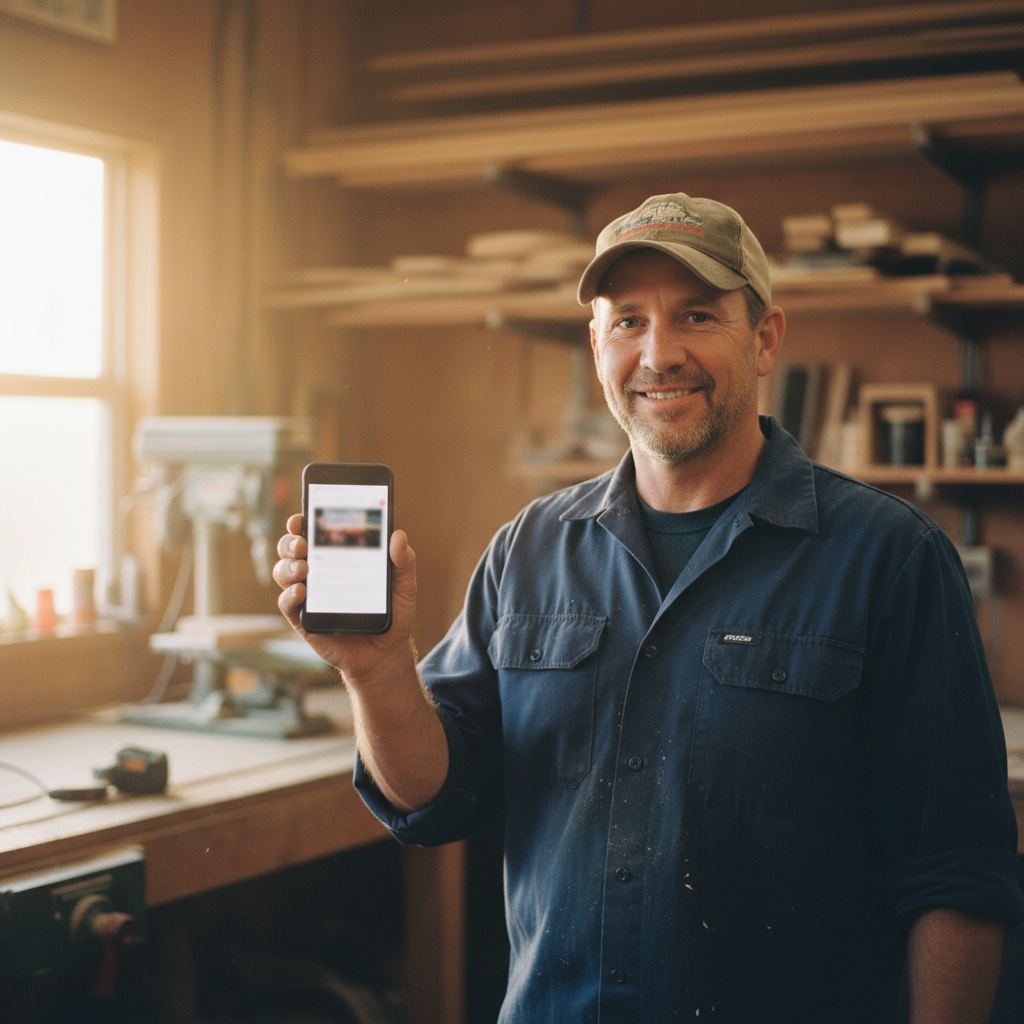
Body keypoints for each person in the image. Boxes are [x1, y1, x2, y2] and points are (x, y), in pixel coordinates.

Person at [275, 193, 1023, 1023]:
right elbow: (433, 798)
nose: (658, 353)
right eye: (627, 321)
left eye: (696, 314)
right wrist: (378, 672)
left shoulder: (891, 559)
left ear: (766, 337)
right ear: (597, 343)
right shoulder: (528, 551)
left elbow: (958, 874)